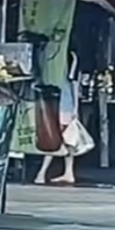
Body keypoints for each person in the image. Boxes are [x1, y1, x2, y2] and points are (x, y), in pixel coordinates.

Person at [35, 50, 80, 186]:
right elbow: (75, 83)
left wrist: (75, 107)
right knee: (65, 139)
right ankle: (68, 172)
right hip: (64, 102)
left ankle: (42, 173)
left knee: (55, 138)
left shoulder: (68, 57)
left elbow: (74, 83)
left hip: (63, 102)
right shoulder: (67, 57)